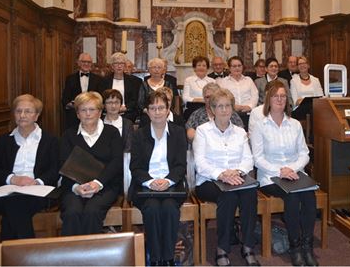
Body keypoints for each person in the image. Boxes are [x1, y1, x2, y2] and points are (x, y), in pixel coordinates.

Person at [250, 81, 318, 266]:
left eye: (282, 96)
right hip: (270, 176)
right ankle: (295, 247)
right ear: (268, 100)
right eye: (275, 96)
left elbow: (304, 153)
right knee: (293, 198)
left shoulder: (294, 124)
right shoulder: (260, 125)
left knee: (310, 197)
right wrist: (281, 171)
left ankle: (307, 246)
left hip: (295, 174)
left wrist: (293, 169)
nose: (280, 99)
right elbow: (258, 158)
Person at [193, 88, 260, 266]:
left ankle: (248, 246)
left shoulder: (239, 132)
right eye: (219, 106)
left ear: (232, 108)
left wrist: (236, 172)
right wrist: (221, 174)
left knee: (250, 194)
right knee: (228, 196)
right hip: (209, 181)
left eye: (228, 106)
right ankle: (222, 248)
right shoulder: (202, 131)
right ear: (212, 109)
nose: (224, 110)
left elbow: (248, 160)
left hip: (237, 178)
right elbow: (200, 163)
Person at [129, 91, 187, 266]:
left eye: (161, 107)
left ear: (168, 109)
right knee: (153, 209)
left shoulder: (178, 132)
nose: (157, 112)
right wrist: (150, 182)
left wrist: (168, 181)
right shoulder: (139, 134)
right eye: (152, 108)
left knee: (170, 208)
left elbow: (180, 165)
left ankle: (168, 257)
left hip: (172, 185)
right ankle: (155, 258)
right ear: (146, 111)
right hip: (145, 186)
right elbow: (136, 167)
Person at [0, 94, 59, 240]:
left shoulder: (50, 141)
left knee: (14, 208)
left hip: (38, 191)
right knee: (14, 203)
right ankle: (26, 254)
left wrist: (36, 182)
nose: (22, 115)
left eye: (28, 111)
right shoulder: (3, 141)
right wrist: (13, 179)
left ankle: (9, 255)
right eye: (18, 111)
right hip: (7, 190)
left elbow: (55, 169)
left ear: (36, 116)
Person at [60, 91, 123, 236]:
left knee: (92, 211)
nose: (88, 114)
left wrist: (97, 183)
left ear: (100, 112)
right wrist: (77, 187)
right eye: (83, 110)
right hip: (74, 186)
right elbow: (63, 163)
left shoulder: (112, 133)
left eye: (92, 109)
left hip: (105, 185)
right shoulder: (68, 135)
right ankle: (71, 256)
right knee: (72, 212)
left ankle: (90, 256)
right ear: (77, 114)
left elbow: (116, 162)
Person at [62, 53, 104, 130]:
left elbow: (100, 98)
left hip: (92, 115)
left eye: (88, 62)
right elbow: (65, 98)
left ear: (91, 64)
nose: (86, 64)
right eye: (83, 61)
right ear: (78, 63)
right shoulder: (70, 79)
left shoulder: (98, 79)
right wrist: (70, 104)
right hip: (74, 115)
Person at [217, 56, 258, 131]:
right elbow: (220, 98)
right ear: (229, 68)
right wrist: (233, 106)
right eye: (234, 66)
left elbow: (255, 96)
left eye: (239, 66)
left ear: (242, 67)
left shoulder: (248, 80)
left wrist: (249, 106)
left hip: (248, 114)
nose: (237, 68)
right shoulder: (223, 82)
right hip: (231, 115)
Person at [103, 52, 141, 122]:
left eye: (121, 63)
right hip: (108, 113)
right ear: (112, 66)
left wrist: (125, 108)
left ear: (125, 65)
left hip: (127, 114)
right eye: (116, 63)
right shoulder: (104, 81)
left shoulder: (134, 81)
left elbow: (135, 99)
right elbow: (102, 98)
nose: (119, 66)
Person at [182, 56, 215, 120]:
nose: (201, 67)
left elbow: (216, 97)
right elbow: (185, 98)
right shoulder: (188, 80)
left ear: (207, 68)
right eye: (199, 65)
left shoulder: (213, 81)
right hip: (193, 108)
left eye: (204, 65)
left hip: (210, 108)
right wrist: (202, 100)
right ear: (194, 68)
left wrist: (197, 99)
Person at [102, 89, 134, 154]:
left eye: (117, 102)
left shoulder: (128, 124)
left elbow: (128, 148)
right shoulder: (99, 122)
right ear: (104, 105)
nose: (113, 106)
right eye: (110, 102)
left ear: (121, 104)